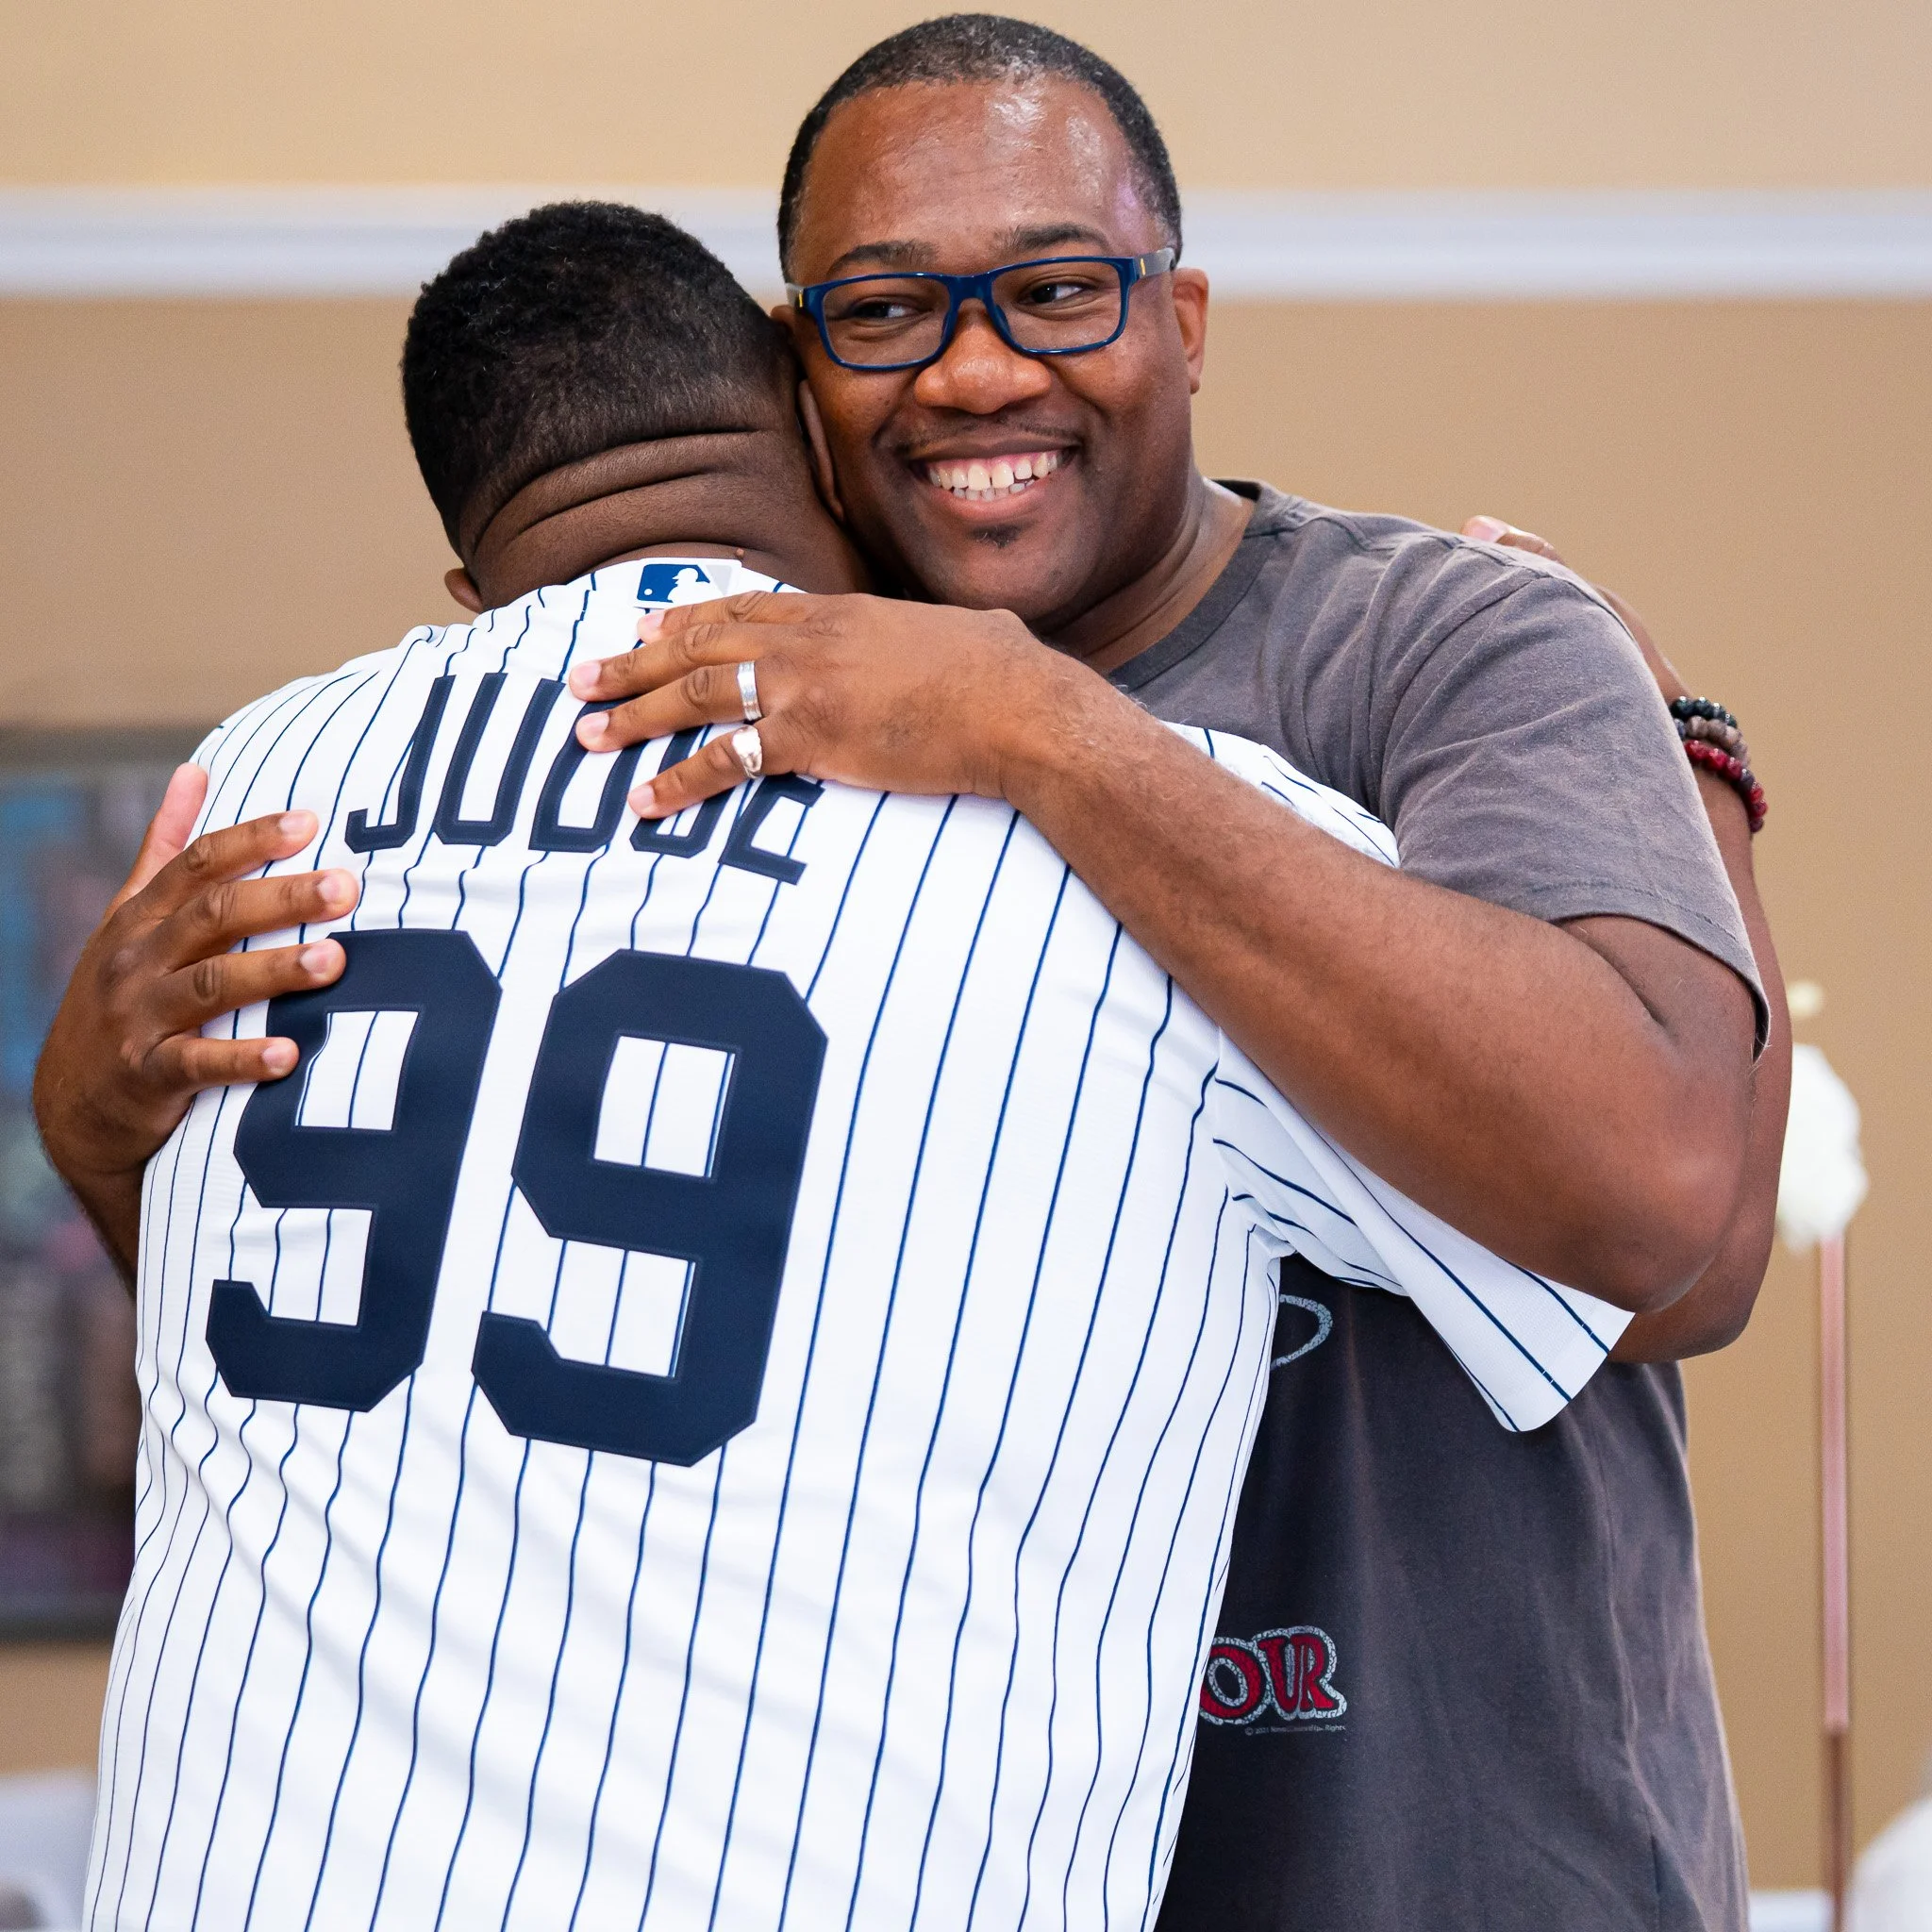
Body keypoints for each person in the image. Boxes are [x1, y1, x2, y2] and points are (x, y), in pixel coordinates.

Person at [33, 17, 1789, 1929]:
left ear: (1182, 319)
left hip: (1442, 1852)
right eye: (883, 311)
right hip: (958, 1838)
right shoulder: (691, 734)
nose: (970, 367)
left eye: (1054, 290)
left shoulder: (1441, 644)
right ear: (798, 388)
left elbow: (1679, 1236)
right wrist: (101, 1115)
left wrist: (1042, 731)